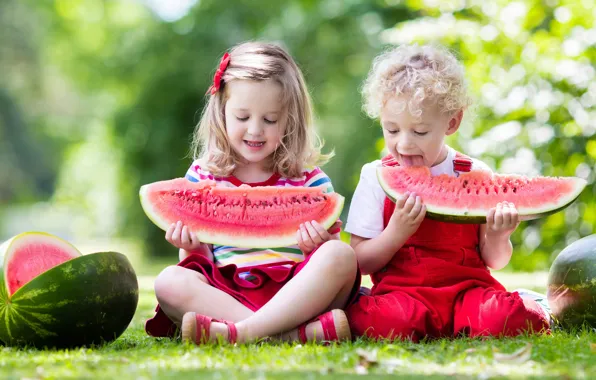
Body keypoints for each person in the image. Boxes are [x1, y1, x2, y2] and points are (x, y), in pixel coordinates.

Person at [145, 41, 360, 344]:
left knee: (341, 255)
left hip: (296, 293)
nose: (255, 130)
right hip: (225, 292)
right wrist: (190, 247)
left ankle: (242, 333)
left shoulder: (311, 181)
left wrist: (317, 246)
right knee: (169, 281)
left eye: (270, 119)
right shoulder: (203, 176)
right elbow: (200, 261)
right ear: (222, 112)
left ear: (290, 120)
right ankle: (287, 335)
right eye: (242, 117)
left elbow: (330, 254)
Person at [344, 44, 551, 341]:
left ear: (452, 122)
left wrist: (498, 235)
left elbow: (496, 260)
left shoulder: (474, 173)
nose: (403, 144)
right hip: (405, 298)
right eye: (392, 130)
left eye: (419, 132)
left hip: (469, 295)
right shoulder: (375, 176)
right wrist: (396, 232)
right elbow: (361, 262)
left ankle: (535, 304)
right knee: (385, 322)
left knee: (509, 319)